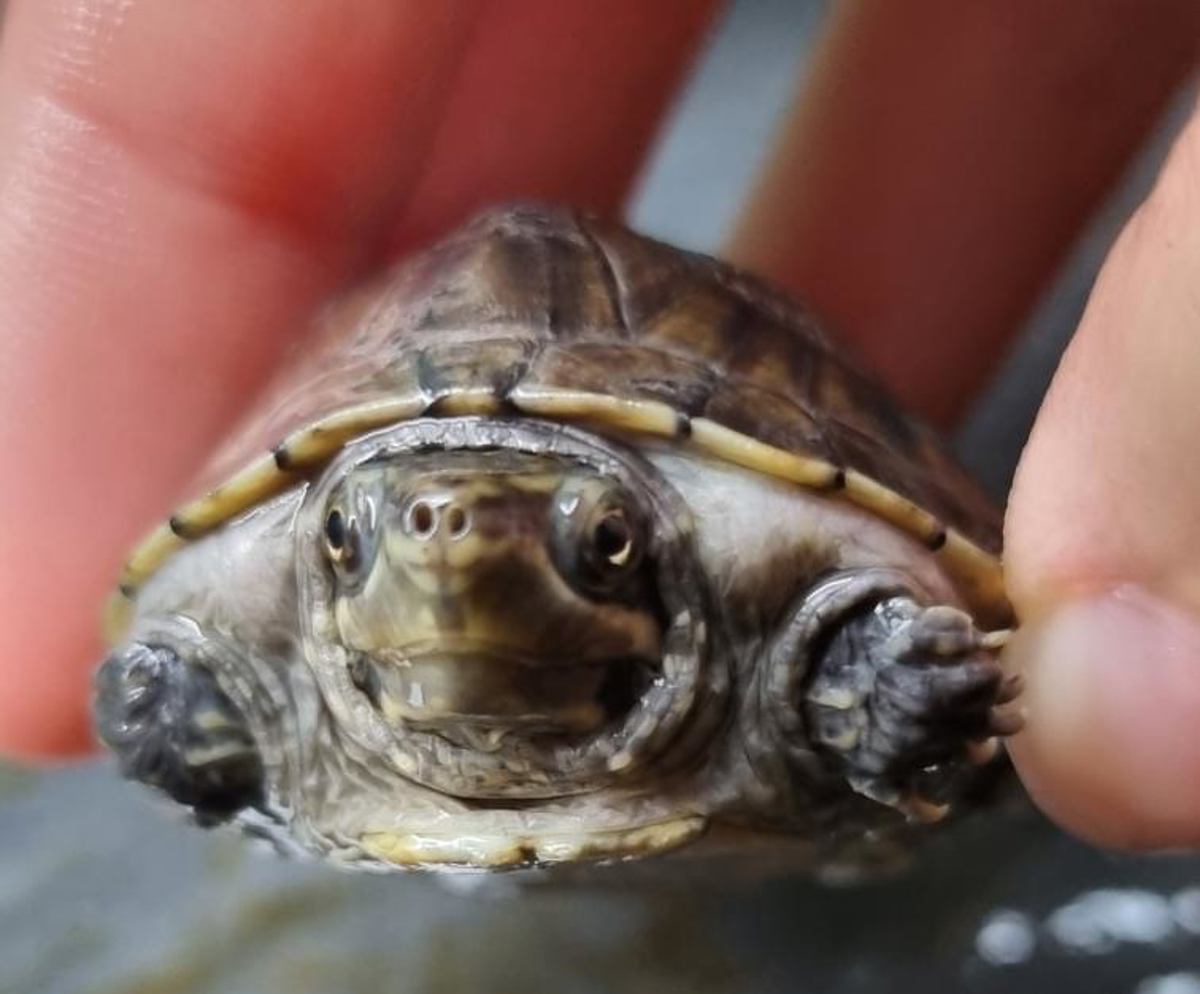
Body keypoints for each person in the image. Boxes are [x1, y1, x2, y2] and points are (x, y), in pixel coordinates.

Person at [0, 0, 1195, 851]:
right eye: (351, 543)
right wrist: (184, 691)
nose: (443, 548)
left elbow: (892, 593)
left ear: (658, 557)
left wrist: (879, 673)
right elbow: (174, 651)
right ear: (311, 565)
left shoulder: (749, 554)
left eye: (595, 544)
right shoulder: (268, 612)